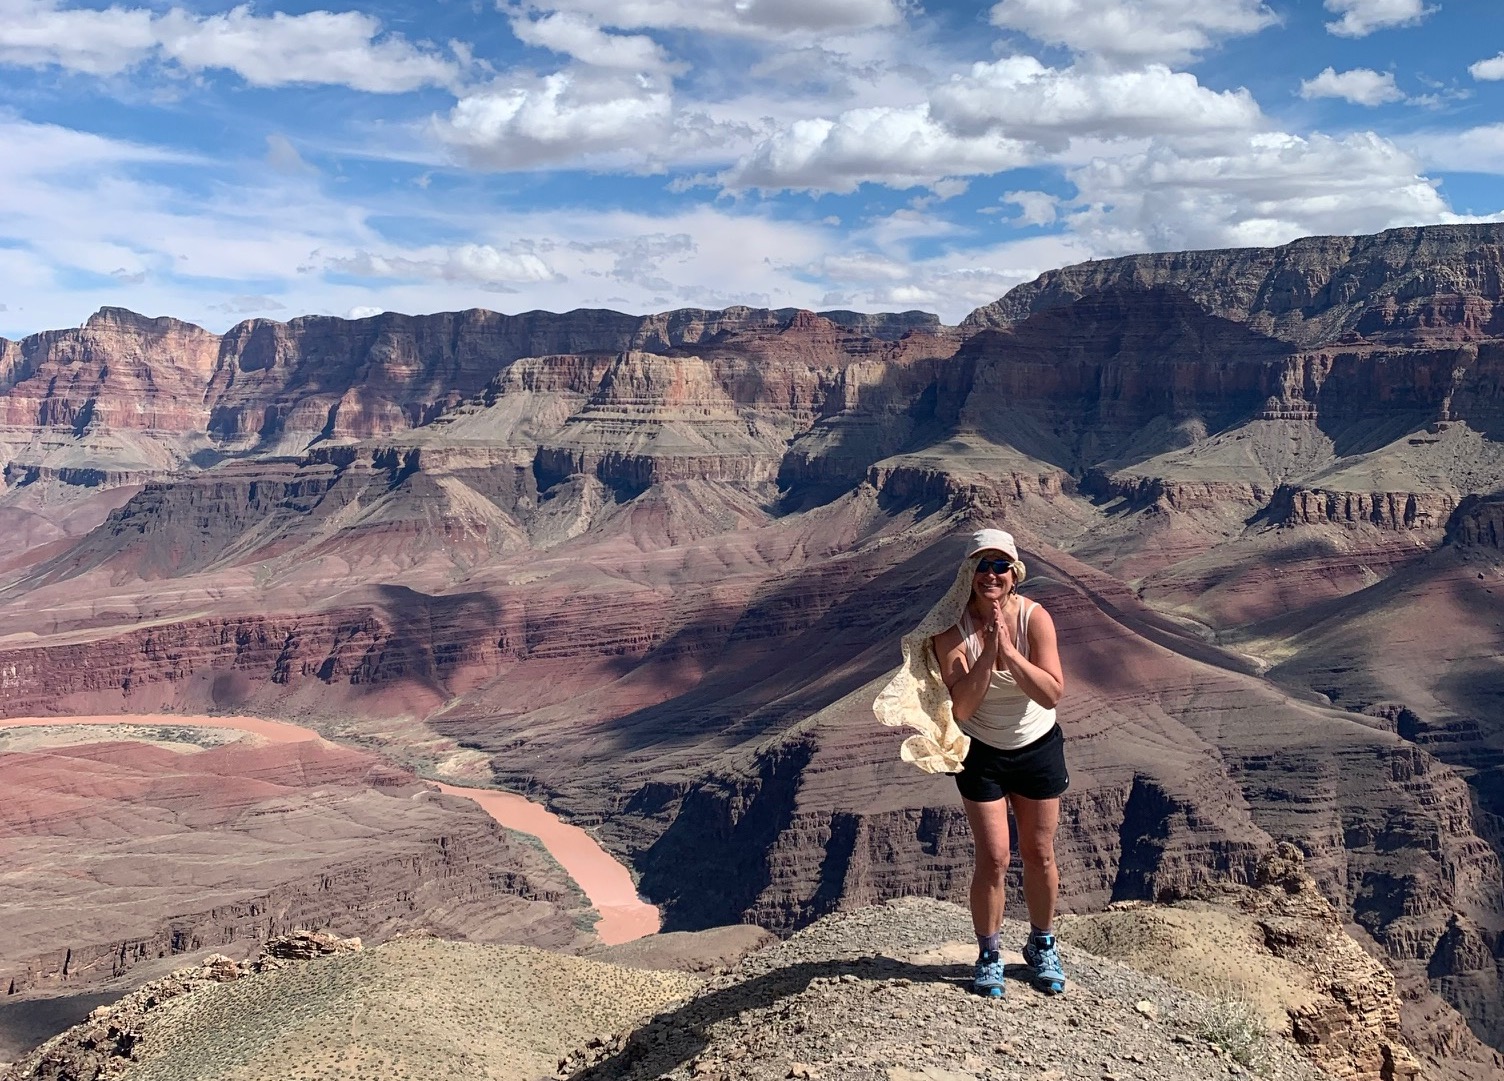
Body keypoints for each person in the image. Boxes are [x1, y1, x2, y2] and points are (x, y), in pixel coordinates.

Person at [930, 527, 1068, 998]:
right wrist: (989, 649)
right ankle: (990, 953)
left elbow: (1051, 693)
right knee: (993, 857)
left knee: (1039, 852)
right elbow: (962, 708)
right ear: (968, 573)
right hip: (982, 753)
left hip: (1037, 746)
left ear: (1014, 576)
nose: (991, 574)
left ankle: (1042, 943)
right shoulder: (949, 632)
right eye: (981, 565)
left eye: (999, 566)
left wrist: (1011, 650)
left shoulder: (1036, 619)